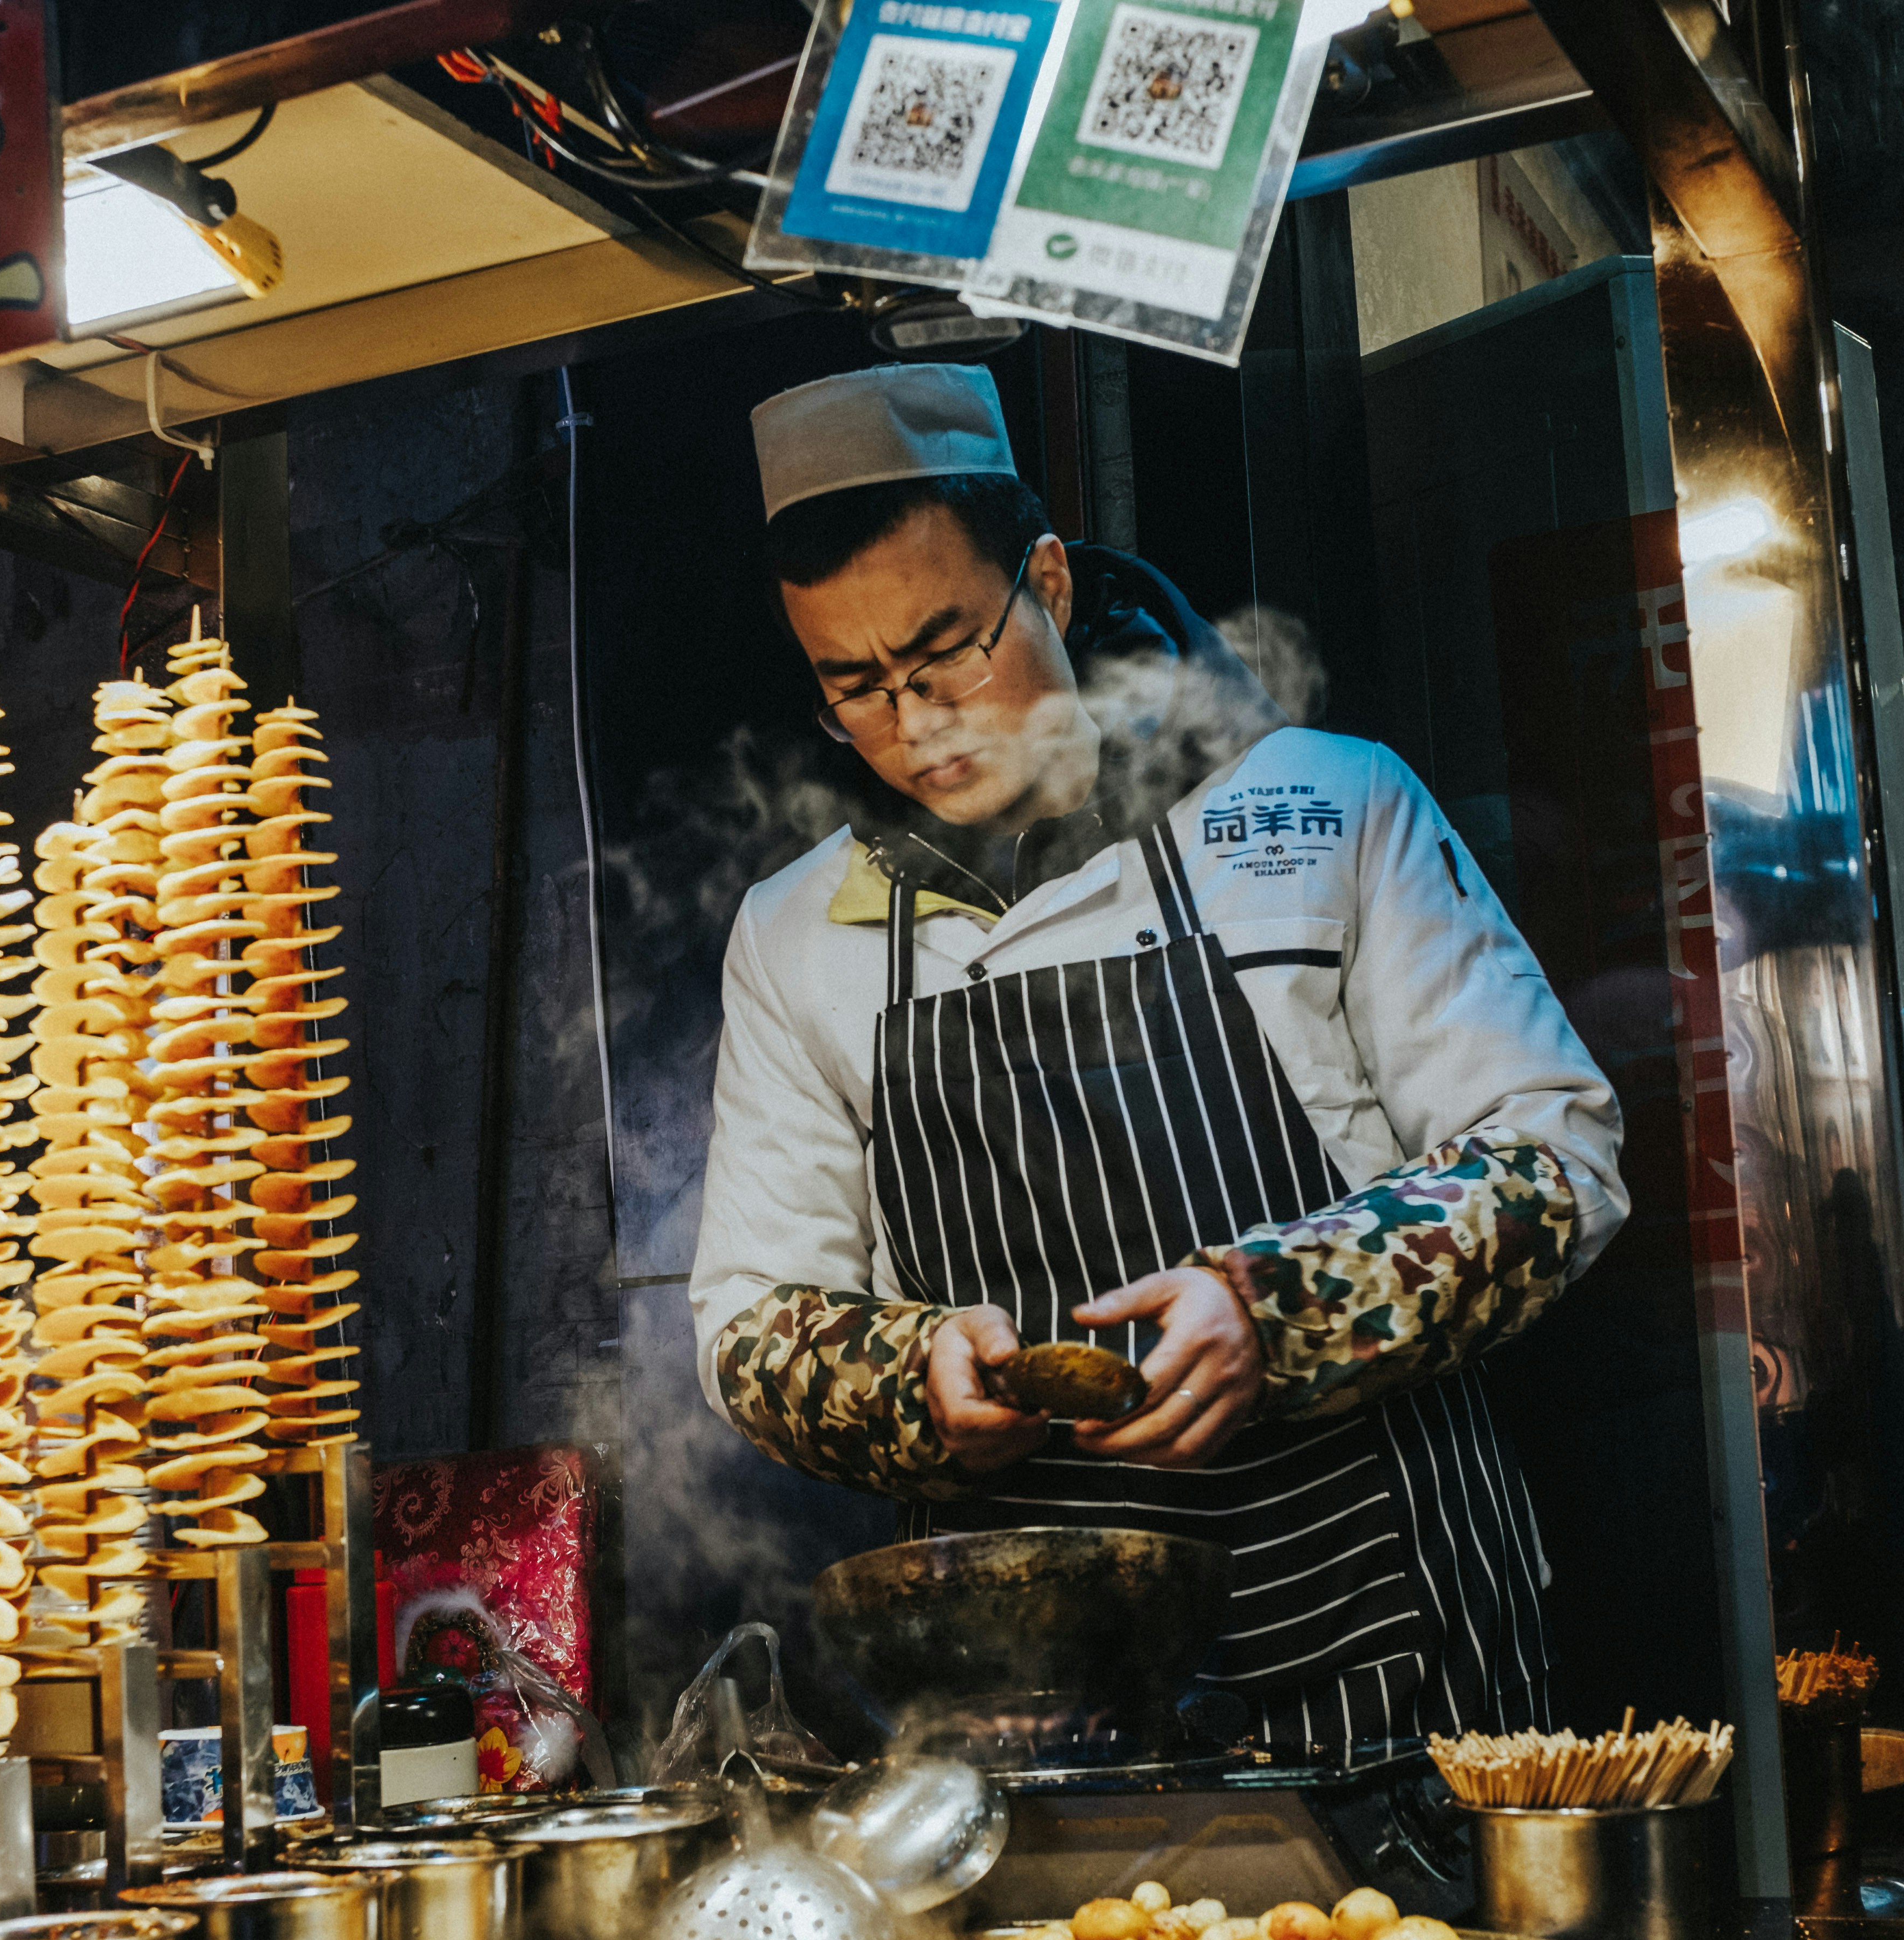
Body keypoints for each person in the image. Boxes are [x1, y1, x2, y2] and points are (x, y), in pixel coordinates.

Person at [688, 363, 1628, 1760]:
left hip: (1383, 1654)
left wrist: (1282, 1309)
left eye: (951, 651)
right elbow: (747, 1320)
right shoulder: (794, 934)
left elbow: (1556, 1160)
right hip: (1024, 1704)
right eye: (857, 686)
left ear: (1051, 585)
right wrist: (916, 1378)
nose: (920, 720)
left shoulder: (1319, 803)